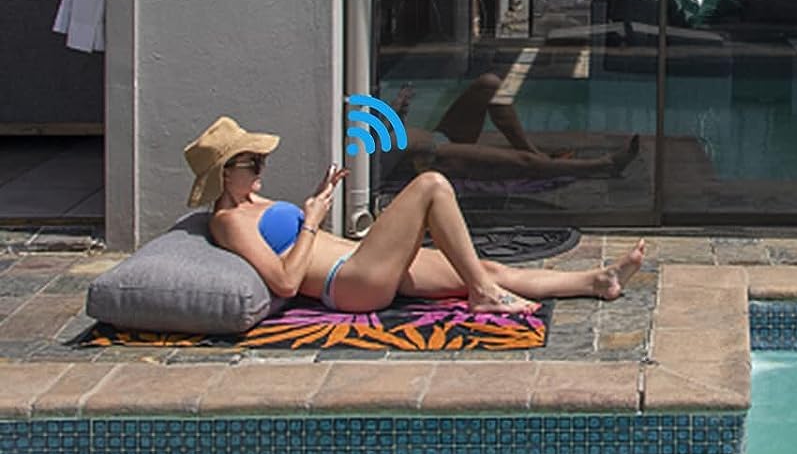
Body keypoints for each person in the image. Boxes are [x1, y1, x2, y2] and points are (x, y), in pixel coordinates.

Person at [186, 115, 646, 315]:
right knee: (432, 185)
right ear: (225, 174)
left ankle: (596, 281)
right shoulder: (229, 222)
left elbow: (301, 244)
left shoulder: (253, 205)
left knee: (482, 266)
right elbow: (285, 282)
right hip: (349, 283)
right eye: (252, 163)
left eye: (260, 160)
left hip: (360, 260)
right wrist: (311, 219)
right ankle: (484, 295)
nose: (262, 168)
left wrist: (318, 202)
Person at [387, 73, 641, 182]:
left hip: (435, 138)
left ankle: (532, 150)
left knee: (489, 84)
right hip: (430, 157)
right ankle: (604, 165)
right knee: (522, 163)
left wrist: (396, 111)